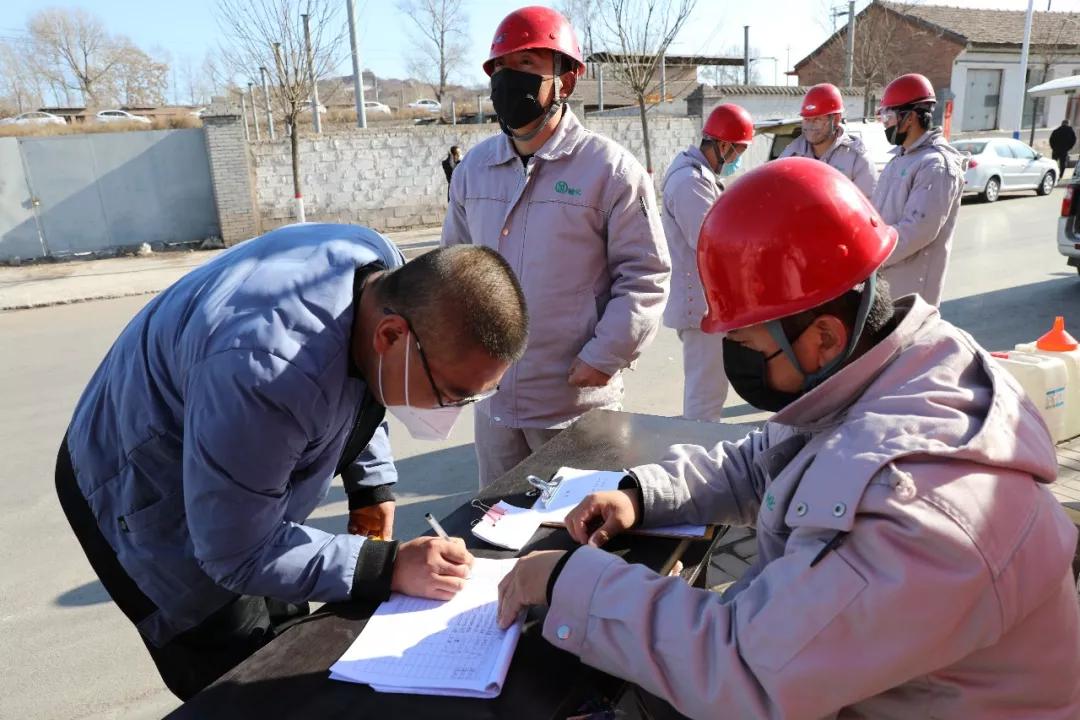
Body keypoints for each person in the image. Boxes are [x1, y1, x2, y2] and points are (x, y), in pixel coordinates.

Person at [496, 158, 1080, 719]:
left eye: (752, 349)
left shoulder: (917, 513)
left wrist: (564, 580)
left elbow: (747, 671)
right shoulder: (892, 371)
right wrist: (642, 494)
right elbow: (762, 461)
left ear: (822, 337)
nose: (742, 370)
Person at [55, 223, 529, 700]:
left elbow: (364, 376)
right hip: (137, 487)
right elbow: (235, 552)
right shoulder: (264, 372)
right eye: (451, 394)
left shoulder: (379, 271)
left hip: (226, 437)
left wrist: (371, 484)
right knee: (247, 680)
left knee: (288, 625)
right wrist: (383, 567)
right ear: (392, 334)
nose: (450, 413)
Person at [441, 6, 670, 488]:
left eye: (526, 67)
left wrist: (604, 355)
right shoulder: (474, 170)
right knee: (496, 534)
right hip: (495, 406)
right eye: (502, 68)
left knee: (579, 544)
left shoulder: (609, 171)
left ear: (564, 82)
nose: (509, 81)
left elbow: (646, 276)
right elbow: (453, 271)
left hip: (576, 405)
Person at [661, 103, 752, 422]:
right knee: (704, 397)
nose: (738, 159)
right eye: (738, 151)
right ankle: (695, 459)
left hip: (707, 304)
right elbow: (710, 243)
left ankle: (699, 452)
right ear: (723, 145)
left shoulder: (698, 176)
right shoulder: (690, 181)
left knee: (709, 392)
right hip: (701, 307)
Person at [871, 72, 966, 307]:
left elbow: (917, 231)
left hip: (910, 295)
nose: (886, 124)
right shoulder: (900, 159)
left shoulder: (935, 165)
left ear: (910, 118)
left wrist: (871, 254)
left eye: (889, 117)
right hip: (885, 287)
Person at [780, 82, 877, 198]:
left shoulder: (856, 159)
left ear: (836, 119)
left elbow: (868, 207)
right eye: (806, 119)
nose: (810, 126)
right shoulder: (790, 155)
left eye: (817, 119)